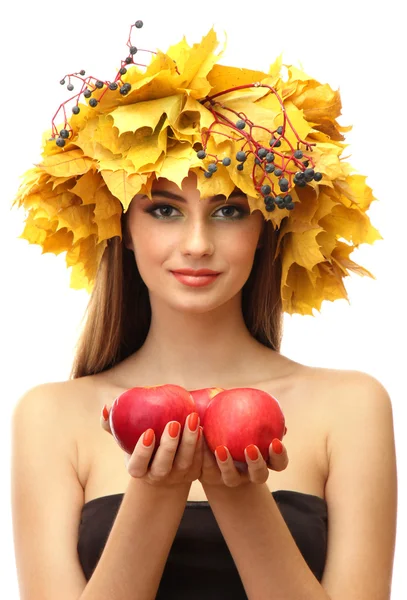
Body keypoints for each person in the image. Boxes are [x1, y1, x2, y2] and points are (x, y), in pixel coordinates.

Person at [10, 19, 397, 600]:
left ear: (267, 230)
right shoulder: (50, 417)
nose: (196, 244)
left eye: (229, 211)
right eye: (164, 210)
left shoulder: (352, 407)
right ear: (124, 227)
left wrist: (241, 496)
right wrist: (156, 492)